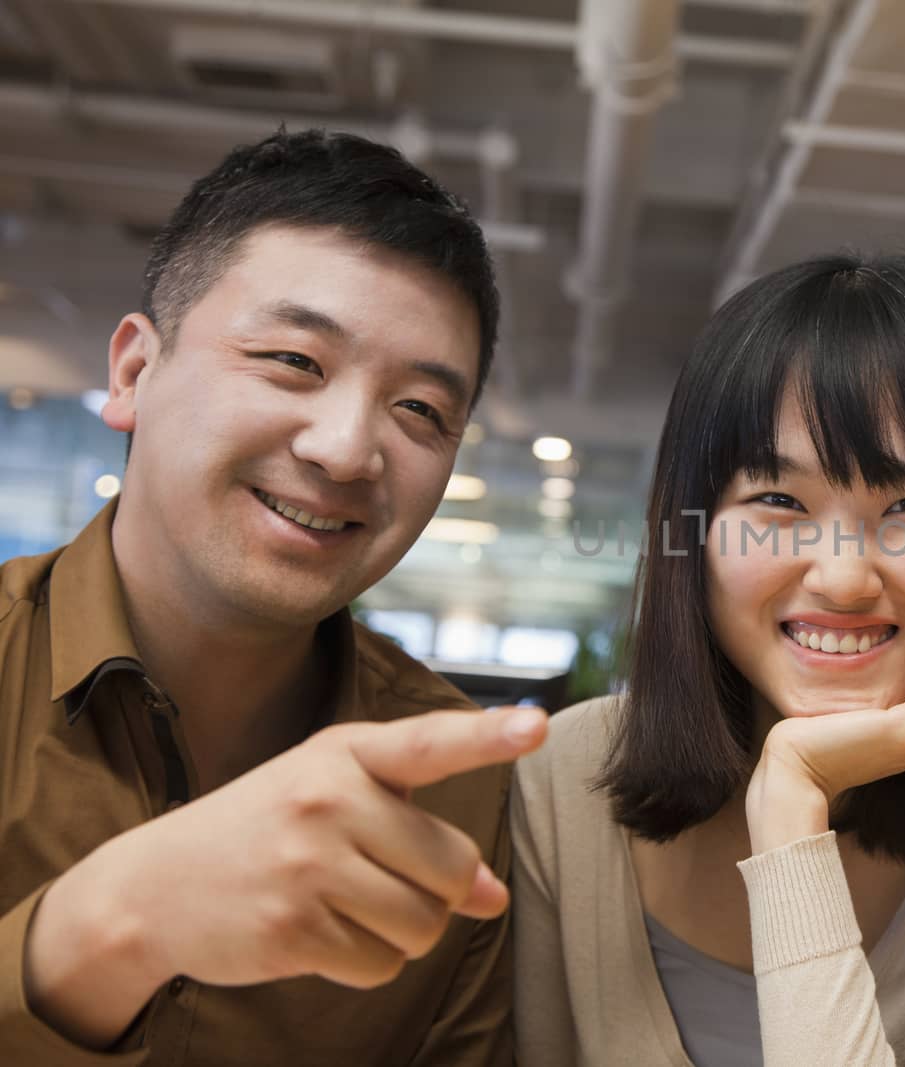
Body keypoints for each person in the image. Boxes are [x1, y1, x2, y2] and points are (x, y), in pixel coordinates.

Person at [0, 128, 548, 1065]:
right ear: (134, 372)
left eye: (420, 410)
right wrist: (105, 925)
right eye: (295, 361)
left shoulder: (460, 788)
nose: (346, 448)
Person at [512, 253, 905, 1065]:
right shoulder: (567, 775)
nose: (842, 576)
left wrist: (792, 801)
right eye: (779, 501)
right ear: (691, 531)